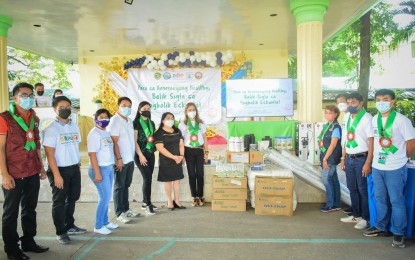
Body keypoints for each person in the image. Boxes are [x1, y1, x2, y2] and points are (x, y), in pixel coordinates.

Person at [0, 83, 49, 259]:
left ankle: (28, 242)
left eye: (30, 95)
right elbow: (1, 147)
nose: (28, 98)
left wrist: (41, 168)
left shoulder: (33, 118)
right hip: (13, 173)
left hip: (31, 171)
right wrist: (4, 174)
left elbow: (36, 145)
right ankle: (12, 249)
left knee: (30, 209)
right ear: (15, 98)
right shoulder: (4, 118)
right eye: (24, 95)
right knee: (10, 213)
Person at [363, 89, 415, 248]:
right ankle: (381, 227)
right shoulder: (374, 119)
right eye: (378, 99)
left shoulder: (401, 120)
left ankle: (399, 233)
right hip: (378, 166)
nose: (381, 102)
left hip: (395, 167)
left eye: (385, 99)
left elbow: (411, 142)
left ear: (392, 102)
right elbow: (372, 142)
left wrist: (402, 157)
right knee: (380, 198)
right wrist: (369, 161)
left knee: (396, 200)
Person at [43, 96, 86, 245]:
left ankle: (70, 226)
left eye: (68, 107)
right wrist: (56, 175)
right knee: (59, 201)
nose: (65, 109)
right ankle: (60, 232)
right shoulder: (51, 129)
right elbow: (49, 154)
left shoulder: (74, 127)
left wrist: (78, 168)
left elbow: (74, 148)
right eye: (62, 107)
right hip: (59, 170)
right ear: (55, 109)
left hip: (74, 168)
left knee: (73, 198)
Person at [339, 92, 373, 230]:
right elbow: (347, 139)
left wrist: (368, 163)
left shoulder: (367, 118)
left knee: (362, 189)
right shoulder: (347, 116)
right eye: (349, 102)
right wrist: (343, 158)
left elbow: (372, 142)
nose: (350, 105)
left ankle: (366, 218)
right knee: (352, 187)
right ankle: (356, 214)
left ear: (361, 103)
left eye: (353, 102)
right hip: (349, 158)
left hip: (361, 158)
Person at [107, 97, 139, 223]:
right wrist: (118, 159)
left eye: (129, 105)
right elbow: (114, 142)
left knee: (126, 185)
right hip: (120, 160)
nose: (127, 108)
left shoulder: (129, 121)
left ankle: (126, 209)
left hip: (129, 159)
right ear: (118, 106)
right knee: (119, 187)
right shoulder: (114, 121)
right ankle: (119, 212)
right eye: (124, 105)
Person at [87, 109, 119, 235]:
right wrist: (97, 173)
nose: (103, 119)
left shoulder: (106, 132)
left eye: (106, 117)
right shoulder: (94, 133)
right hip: (99, 169)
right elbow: (92, 154)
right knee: (104, 197)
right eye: (101, 117)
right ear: (95, 118)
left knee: (107, 197)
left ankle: (105, 221)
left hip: (108, 167)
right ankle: (98, 225)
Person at [178, 103, 208, 207]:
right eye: (190, 110)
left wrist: (206, 153)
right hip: (188, 151)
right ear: (186, 112)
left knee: (200, 174)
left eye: (193, 109)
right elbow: (180, 141)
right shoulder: (182, 124)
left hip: (199, 150)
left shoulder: (201, 123)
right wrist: (182, 155)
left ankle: (200, 196)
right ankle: (194, 197)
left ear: (196, 111)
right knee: (192, 174)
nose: (192, 112)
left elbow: (205, 139)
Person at [154, 112, 186, 210]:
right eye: (168, 118)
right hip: (166, 161)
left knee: (177, 180)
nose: (170, 120)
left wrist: (181, 156)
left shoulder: (177, 130)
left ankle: (177, 201)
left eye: (172, 118)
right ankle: (169, 201)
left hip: (177, 160)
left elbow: (181, 144)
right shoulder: (159, 132)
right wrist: (174, 157)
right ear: (163, 120)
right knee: (168, 181)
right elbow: (160, 148)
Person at [133, 101, 157, 215]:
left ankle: (144, 201)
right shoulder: (136, 123)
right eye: (144, 108)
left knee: (148, 178)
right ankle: (148, 204)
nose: (147, 110)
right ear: (139, 110)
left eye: (149, 108)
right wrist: (141, 155)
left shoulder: (152, 123)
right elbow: (135, 141)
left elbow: (152, 138)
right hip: (140, 155)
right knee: (147, 179)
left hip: (151, 153)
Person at [318, 105, 342, 213]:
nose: (327, 115)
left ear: (336, 114)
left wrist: (325, 159)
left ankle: (330, 204)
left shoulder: (336, 127)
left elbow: (333, 145)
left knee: (326, 180)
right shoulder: (328, 125)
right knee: (333, 180)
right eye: (326, 112)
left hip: (330, 158)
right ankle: (336, 203)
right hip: (326, 156)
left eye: (330, 113)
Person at [336, 93, 353, 216]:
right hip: (346, 153)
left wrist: (343, 157)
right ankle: (355, 208)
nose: (340, 104)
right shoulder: (346, 117)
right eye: (338, 102)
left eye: (342, 101)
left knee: (358, 187)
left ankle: (359, 212)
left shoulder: (353, 116)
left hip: (354, 154)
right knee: (351, 185)